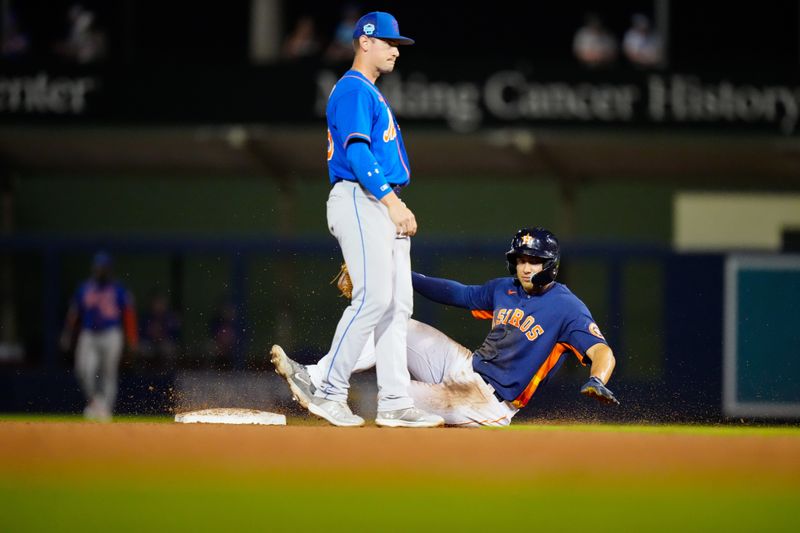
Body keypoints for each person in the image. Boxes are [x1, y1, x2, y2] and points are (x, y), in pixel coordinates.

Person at [271, 11, 443, 428]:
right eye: (389, 42)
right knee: (373, 298)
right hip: (361, 196)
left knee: (397, 306)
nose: (395, 50)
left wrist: (390, 204)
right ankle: (327, 388)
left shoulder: (369, 92)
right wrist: (391, 203)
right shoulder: (352, 89)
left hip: (378, 201)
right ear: (364, 42)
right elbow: (359, 153)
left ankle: (395, 402)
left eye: (397, 45)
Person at [273, 227, 619, 427]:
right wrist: (399, 276)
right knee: (393, 321)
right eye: (521, 260)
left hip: (489, 403)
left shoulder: (566, 305)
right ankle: (317, 377)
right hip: (464, 365)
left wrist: (597, 379)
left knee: (394, 400)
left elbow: (601, 351)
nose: (526, 267)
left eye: (534, 261)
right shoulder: (505, 288)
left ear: (550, 265)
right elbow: (456, 293)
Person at [60, 252, 138, 421]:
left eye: (103, 268)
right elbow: (73, 313)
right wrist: (67, 334)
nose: (100, 270)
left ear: (109, 269)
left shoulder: (118, 289)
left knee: (108, 373)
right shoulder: (85, 288)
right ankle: (96, 402)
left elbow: (128, 313)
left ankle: (105, 410)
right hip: (89, 334)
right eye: (98, 267)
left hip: (111, 333)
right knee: (83, 370)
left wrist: (131, 339)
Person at [138, 289, 181, 369]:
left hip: (164, 343)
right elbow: (140, 334)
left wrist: (163, 336)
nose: (159, 305)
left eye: (161, 303)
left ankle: (168, 373)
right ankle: (144, 373)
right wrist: (151, 336)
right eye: (156, 303)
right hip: (149, 342)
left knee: (168, 348)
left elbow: (176, 335)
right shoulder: (146, 317)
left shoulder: (170, 317)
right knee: (143, 348)